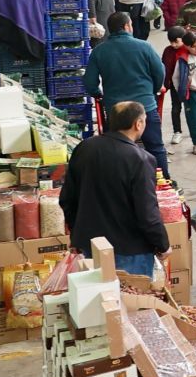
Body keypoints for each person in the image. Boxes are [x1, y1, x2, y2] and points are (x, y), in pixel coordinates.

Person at [58, 101, 170, 276]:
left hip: (90, 246)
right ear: (138, 124)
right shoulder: (141, 159)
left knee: (97, 292)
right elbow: (147, 212)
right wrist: (163, 244)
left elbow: (67, 198)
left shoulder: (84, 148)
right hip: (130, 251)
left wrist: (77, 234)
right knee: (131, 293)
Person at [84, 10, 169, 175]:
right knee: (156, 147)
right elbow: (160, 73)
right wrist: (152, 90)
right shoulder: (145, 47)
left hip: (116, 111)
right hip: (145, 107)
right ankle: (164, 180)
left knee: (116, 150)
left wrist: (98, 94)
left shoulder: (99, 51)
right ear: (127, 26)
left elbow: (89, 82)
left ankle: (118, 181)